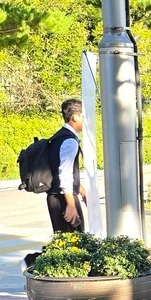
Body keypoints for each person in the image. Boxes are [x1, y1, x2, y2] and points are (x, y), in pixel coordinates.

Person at [45, 99, 89, 233]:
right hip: (63, 198)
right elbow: (65, 173)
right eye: (84, 117)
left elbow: (59, 168)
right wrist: (70, 204)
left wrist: (81, 190)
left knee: (66, 243)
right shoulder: (69, 141)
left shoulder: (59, 137)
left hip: (57, 197)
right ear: (75, 117)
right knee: (75, 243)